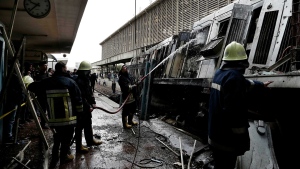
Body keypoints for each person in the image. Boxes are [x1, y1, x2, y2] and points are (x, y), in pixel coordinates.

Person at [208, 41, 273, 169]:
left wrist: (260, 85)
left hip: (214, 135)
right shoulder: (235, 78)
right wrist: (241, 142)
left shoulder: (219, 74)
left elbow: (244, 83)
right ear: (241, 62)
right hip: (226, 141)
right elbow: (235, 115)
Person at [28, 61, 83, 167]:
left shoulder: (46, 82)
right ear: (63, 68)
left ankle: (54, 159)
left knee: (57, 137)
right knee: (66, 140)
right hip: (69, 119)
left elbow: (32, 87)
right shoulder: (70, 82)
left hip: (54, 119)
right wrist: (80, 115)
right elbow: (78, 100)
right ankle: (63, 159)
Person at [73, 61, 102, 153]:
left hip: (86, 108)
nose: (89, 72)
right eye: (88, 70)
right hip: (81, 108)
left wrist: (93, 102)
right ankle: (79, 147)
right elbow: (81, 96)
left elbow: (89, 93)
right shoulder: (79, 81)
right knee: (79, 127)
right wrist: (88, 106)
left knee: (88, 124)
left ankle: (90, 141)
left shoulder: (86, 80)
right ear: (85, 71)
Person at [2, 61, 23, 143]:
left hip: (13, 100)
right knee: (11, 119)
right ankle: (9, 136)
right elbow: (15, 90)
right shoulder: (15, 77)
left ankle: (9, 134)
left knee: (11, 119)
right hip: (13, 100)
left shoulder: (11, 76)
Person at [118, 65, 138, 129]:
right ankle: (125, 124)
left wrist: (135, 83)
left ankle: (130, 121)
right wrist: (133, 87)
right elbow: (125, 88)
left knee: (133, 109)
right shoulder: (121, 78)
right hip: (127, 97)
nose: (125, 68)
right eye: (124, 68)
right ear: (121, 70)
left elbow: (132, 83)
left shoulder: (128, 76)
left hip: (132, 96)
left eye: (126, 67)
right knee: (125, 111)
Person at [34, 61, 51, 129]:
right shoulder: (37, 74)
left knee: (49, 109)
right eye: (44, 65)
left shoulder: (48, 74)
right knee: (43, 110)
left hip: (48, 94)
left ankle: (49, 122)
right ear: (40, 66)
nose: (46, 67)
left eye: (46, 65)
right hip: (41, 95)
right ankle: (43, 123)